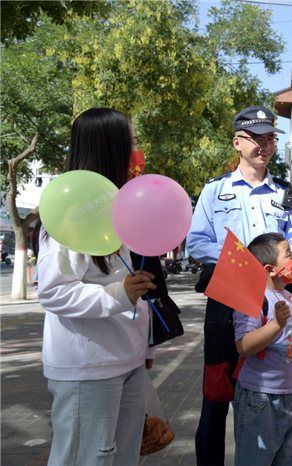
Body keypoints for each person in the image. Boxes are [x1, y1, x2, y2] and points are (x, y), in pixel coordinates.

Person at [187, 105, 292, 466]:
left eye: (270, 138)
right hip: (227, 298)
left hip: (277, 298)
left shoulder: (287, 192)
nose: (264, 145)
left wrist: (286, 263)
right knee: (216, 393)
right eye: (256, 138)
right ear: (237, 142)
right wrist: (245, 263)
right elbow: (197, 242)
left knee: (278, 381)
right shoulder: (216, 190)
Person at [36, 108, 157, 466]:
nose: (137, 153)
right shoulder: (69, 213)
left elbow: (127, 281)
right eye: (131, 143)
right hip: (88, 368)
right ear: (110, 148)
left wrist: (145, 344)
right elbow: (54, 291)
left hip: (128, 359)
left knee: (122, 457)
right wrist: (121, 295)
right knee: (88, 458)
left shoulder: (119, 208)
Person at [232, 232, 292, 466]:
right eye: (288, 255)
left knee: (287, 459)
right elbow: (243, 346)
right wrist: (275, 324)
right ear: (271, 269)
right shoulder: (252, 298)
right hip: (260, 398)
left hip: (288, 397)